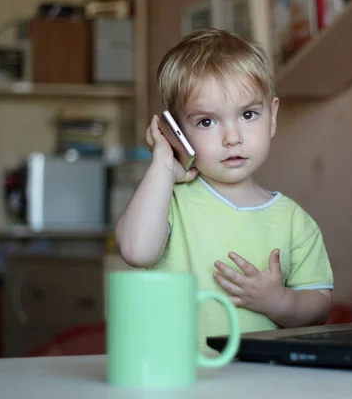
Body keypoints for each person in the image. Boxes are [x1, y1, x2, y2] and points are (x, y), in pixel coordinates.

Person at [115, 28, 334, 352]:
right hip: (177, 377)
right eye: (207, 122)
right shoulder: (167, 200)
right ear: (176, 132)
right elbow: (135, 251)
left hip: (259, 379)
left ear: (271, 117)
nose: (232, 137)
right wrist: (163, 162)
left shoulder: (294, 221)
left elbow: (319, 307)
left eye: (248, 114)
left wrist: (279, 301)